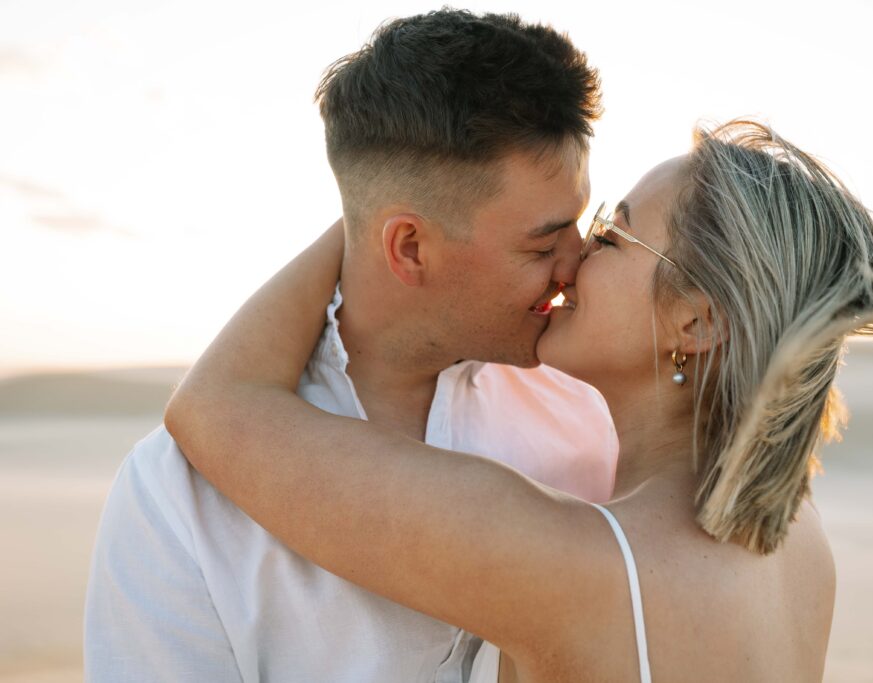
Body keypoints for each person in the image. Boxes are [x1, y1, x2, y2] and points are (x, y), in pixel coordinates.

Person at [164, 119, 873, 682]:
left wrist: (388, 207)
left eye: (615, 234)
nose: (576, 255)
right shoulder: (797, 543)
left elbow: (214, 407)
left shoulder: (571, 564)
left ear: (696, 318)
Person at [84, 10, 618, 682]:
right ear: (409, 246)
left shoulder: (600, 414)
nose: (577, 264)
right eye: (542, 244)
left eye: (580, 223)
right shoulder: (179, 498)